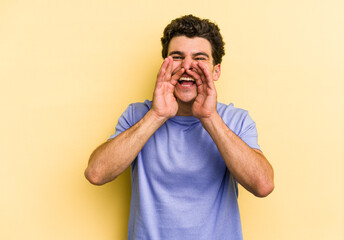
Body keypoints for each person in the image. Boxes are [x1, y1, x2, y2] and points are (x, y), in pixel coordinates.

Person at [85, 14, 274, 240]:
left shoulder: (235, 120)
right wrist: (156, 115)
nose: (186, 67)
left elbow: (263, 185)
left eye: (199, 58)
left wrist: (210, 118)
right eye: (177, 57)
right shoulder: (137, 115)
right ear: (164, 64)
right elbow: (96, 173)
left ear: (216, 71)